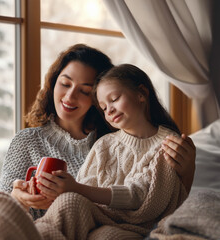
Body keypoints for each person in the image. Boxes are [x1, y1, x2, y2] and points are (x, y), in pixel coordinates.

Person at [0, 44, 196, 220]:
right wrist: (19, 199)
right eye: (65, 84)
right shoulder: (27, 140)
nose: (69, 96)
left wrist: (187, 171)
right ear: (53, 83)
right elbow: (1, 207)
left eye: (84, 91)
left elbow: (160, 200)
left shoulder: (112, 142)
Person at [33, 63, 189, 239]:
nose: (110, 110)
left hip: (133, 227)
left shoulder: (167, 144)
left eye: (114, 99)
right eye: (104, 108)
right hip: (93, 217)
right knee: (69, 202)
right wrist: (68, 189)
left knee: (106, 236)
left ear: (141, 94)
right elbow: (84, 188)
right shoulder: (104, 144)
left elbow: (138, 195)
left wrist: (76, 188)